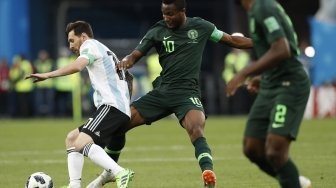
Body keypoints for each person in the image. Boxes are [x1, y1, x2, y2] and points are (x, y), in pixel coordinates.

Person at [87, 0, 252, 187]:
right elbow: (135, 55)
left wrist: (262, 44)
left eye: (171, 14)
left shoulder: (202, 27)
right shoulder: (157, 30)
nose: (167, 18)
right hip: (161, 93)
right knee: (119, 125)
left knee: (196, 129)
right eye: (164, 13)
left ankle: (208, 172)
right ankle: (108, 173)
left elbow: (231, 40)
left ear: (183, 11)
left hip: (187, 94)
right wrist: (127, 61)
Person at [26, 21, 134, 188]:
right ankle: (74, 185)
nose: (70, 46)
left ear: (83, 37)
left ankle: (119, 171)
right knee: (72, 139)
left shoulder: (89, 44)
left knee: (81, 143)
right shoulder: (104, 49)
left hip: (112, 107)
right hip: (115, 108)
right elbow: (129, 77)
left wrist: (47, 75)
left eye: (71, 40)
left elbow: (78, 66)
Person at [226, 0, 311, 187]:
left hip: (289, 83)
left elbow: (282, 49)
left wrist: (245, 72)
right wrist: (264, 76)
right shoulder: (255, 10)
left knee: (275, 150)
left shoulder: (263, 7)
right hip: (271, 82)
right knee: (252, 148)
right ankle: (295, 182)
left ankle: (293, 183)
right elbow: (276, 46)